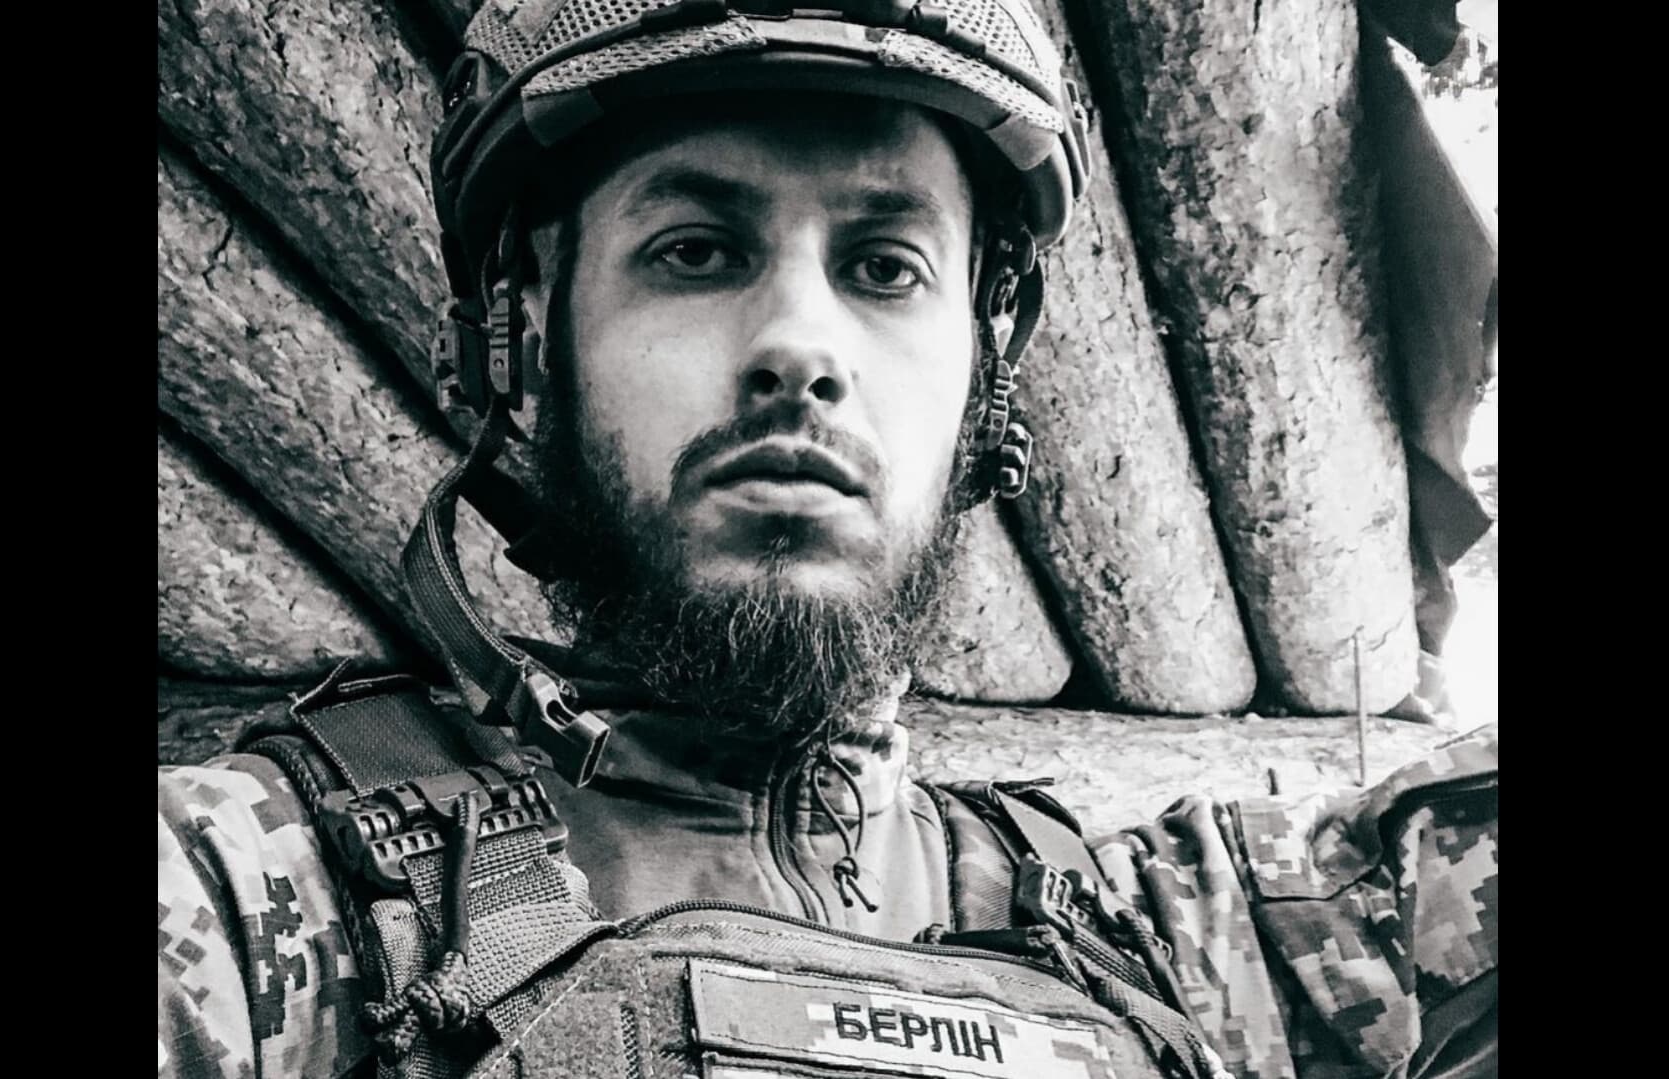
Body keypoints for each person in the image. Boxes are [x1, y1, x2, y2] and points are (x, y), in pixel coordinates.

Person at [157, 2, 1497, 1077]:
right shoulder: (249, 891)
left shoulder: (1169, 949)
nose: (800, 347)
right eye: (694, 251)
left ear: (984, 378)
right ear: (528, 344)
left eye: (884, 267)